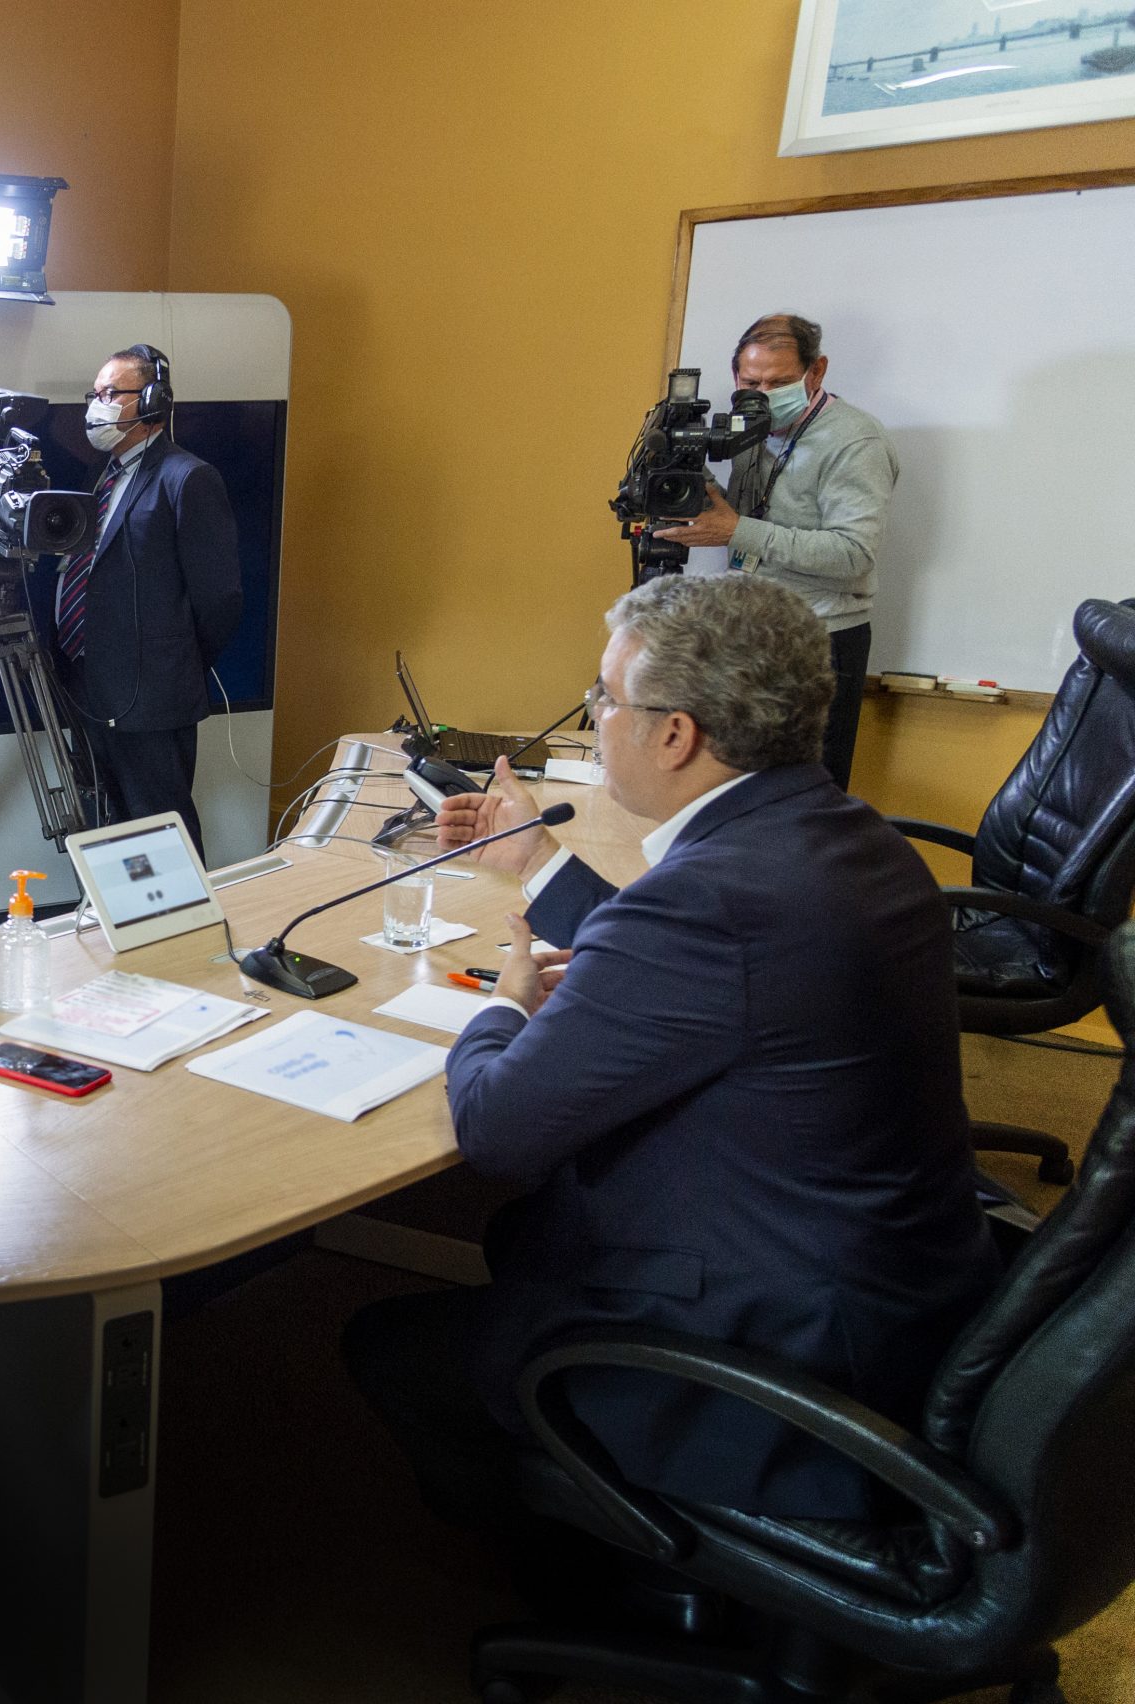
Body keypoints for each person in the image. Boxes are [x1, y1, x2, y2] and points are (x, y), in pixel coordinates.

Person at [343, 574, 997, 1549]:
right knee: (527, 1238)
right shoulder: (850, 837)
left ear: (675, 735)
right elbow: (702, 962)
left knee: (392, 1345)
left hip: (780, 1362)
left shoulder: (707, 901)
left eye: (604, 699)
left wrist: (503, 1005)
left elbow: (496, 1130)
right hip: (897, 1296)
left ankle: (588, 1569)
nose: (597, 719)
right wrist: (534, 861)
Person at [648, 313, 898, 792]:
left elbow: (853, 553)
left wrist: (737, 531)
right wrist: (688, 478)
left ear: (816, 372)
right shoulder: (749, 427)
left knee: (802, 796)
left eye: (779, 383)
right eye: (751, 382)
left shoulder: (855, 441)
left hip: (819, 640)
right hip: (748, 631)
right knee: (737, 788)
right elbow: (744, 515)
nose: (763, 394)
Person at [52, 344, 242, 853]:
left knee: (159, 832)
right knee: (105, 829)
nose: (98, 406)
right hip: (88, 686)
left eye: (111, 394)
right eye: (94, 395)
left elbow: (220, 598)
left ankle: (178, 911)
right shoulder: (103, 475)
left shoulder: (188, 478)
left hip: (152, 697)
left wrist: (171, 662)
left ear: (153, 401)